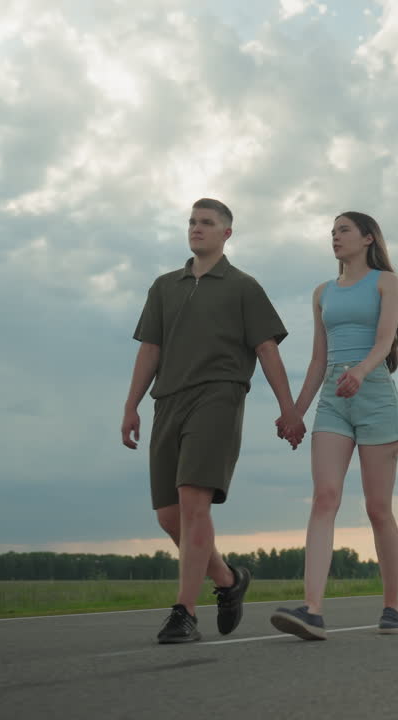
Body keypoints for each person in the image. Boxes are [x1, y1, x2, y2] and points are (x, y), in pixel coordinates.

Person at [122, 198, 307, 644]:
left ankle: (184, 612)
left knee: (193, 503)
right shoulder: (164, 286)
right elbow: (150, 350)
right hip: (167, 401)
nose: (196, 229)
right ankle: (227, 580)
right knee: (170, 517)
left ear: (226, 234)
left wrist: (290, 409)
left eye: (207, 223)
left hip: (218, 397)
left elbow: (267, 350)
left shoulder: (243, 286)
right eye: (192, 222)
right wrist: (131, 405)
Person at [270, 211, 398, 640]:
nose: (335, 237)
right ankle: (313, 610)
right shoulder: (322, 292)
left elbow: (385, 339)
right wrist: (296, 412)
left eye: (343, 230)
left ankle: (392, 605)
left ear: (366, 238)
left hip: (375, 397)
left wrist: (360, 372)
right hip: (332, 402)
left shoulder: (386, 282)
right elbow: (318, 359)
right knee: (324, 498)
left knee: (378, 509)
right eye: (332, 232)